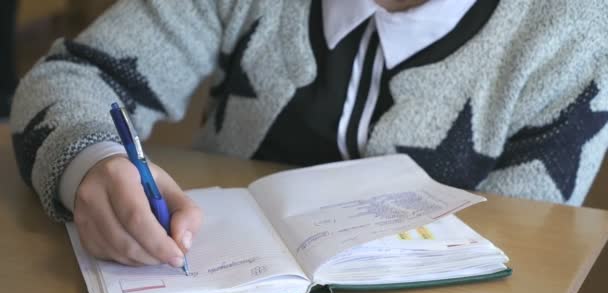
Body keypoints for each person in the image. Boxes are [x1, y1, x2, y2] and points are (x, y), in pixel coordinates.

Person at [9, 0, 608, 268]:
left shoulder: (577, 28)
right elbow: (75, 75)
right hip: (212, 286)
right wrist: (90, 162)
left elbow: (530, 249)